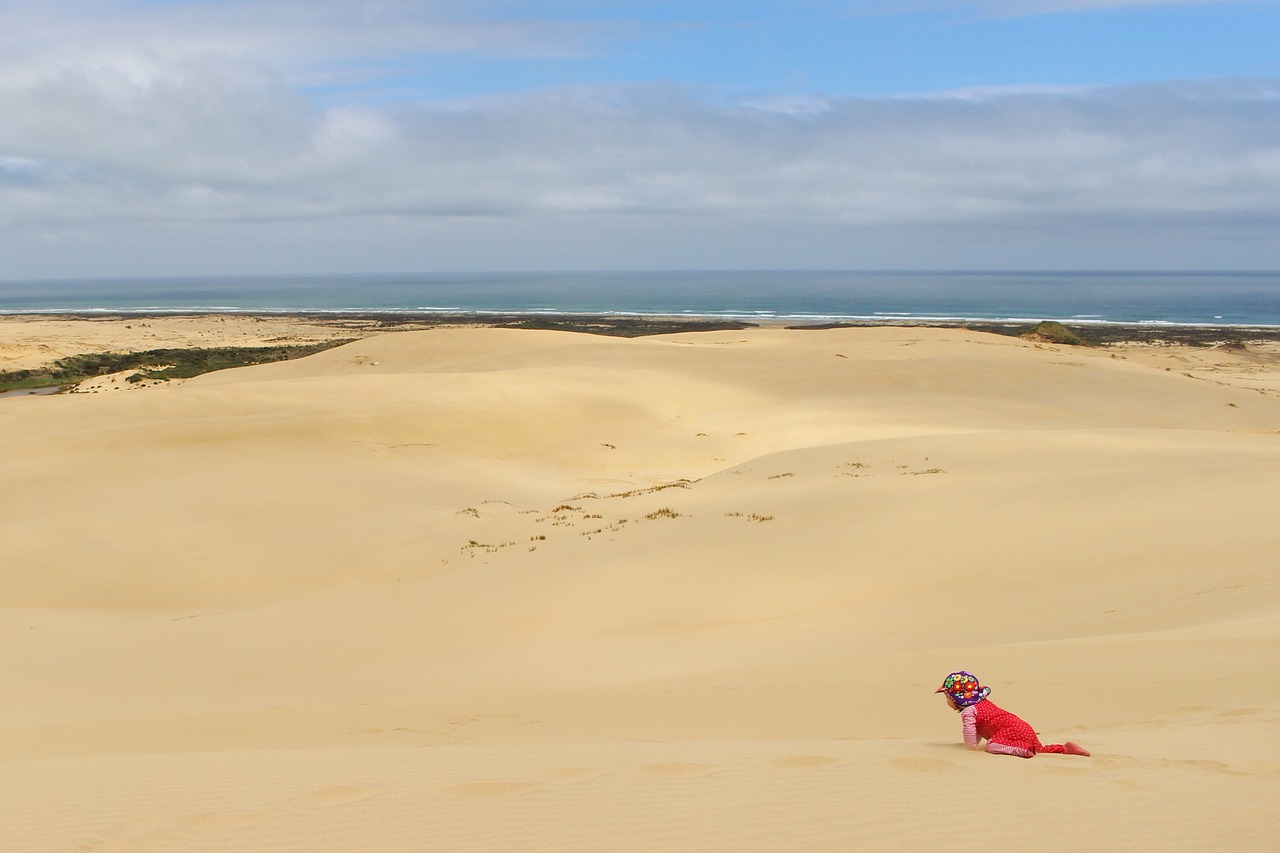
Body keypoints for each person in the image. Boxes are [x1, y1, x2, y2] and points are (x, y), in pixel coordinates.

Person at [936, 671, 1090, 758]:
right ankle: (1064, 748)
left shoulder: (969, 711)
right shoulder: (980, 704)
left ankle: (1023, 750)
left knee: (991, 746)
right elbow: (978, 730)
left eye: (946, 697)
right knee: (1041, 748)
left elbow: (969, 730)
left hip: (1011, 732)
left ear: (955, 698)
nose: (946, 701)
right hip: (1020, 728)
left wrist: (970, 749)